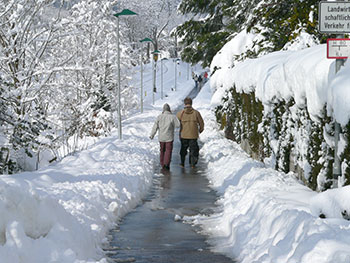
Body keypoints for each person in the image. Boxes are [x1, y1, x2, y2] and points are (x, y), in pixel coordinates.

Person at [150, 103, 180, 170]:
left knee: (162, 150)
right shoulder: (172, 117)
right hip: (169, 137)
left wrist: (152, 134)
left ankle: (162, 164)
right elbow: (178, 125)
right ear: (169, 110)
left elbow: (155, 127)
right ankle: (166, 164)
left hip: (161, 138)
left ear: (163, 110)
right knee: (168, 150)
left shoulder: (159, 117)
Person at [176, 97, 204, 168]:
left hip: (183, 135)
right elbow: (201, 123)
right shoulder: (196, 113)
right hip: (193, 135)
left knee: (183, 149)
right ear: (191, 103)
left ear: (185, 104)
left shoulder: (180, 113)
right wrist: (201, 129)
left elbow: (176, 123)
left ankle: (182, 163)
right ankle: (192, 164)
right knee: (193, 149)